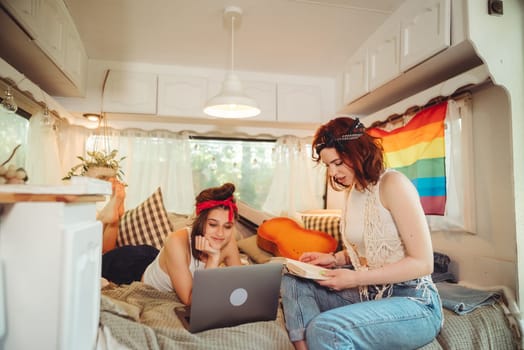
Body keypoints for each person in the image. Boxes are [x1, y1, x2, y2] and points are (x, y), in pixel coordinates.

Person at [281, 117, 443, 350]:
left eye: (337, 163)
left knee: (326, 328)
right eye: (328, 166)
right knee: (293, 280)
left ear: (357, 151)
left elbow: (423, 263)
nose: (333, 173)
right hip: (370, 294)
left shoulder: (393, 184)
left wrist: (355, 278)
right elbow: (371, 247)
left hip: (414, 301)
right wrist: (335, 258)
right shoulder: (352, 192)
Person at [142, 182, 242, 304]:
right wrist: (213, 258)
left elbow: (241, 285)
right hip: (146, 284)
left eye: (227, 226)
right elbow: (191, 301)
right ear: (200, 221)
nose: (220, 233)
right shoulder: (175, 242)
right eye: (213, 224)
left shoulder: (229, 241)